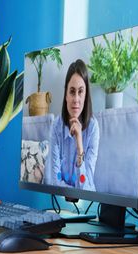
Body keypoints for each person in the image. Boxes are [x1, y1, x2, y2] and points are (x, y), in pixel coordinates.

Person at [47, 59, 99, 190]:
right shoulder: (56, 127)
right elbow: (55, 182)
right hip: (60, 202)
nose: (76, 99)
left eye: (80, 91)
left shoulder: (93, 128)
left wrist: (79, 144)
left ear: (86, 95)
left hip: (88, 205)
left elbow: (85, 188)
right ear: (66, 95)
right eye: (72, 91)